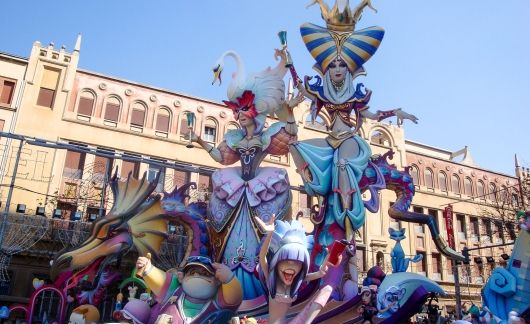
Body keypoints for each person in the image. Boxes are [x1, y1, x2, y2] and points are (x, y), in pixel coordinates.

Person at [288, 0, 418, 295]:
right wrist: (288, 61)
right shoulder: (322, 91)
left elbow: (370, 115)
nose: (336, 68)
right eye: (332, 64)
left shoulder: (355, 95)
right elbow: (301, 87)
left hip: (349, 142)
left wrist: (396, 112)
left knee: (343, 165)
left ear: (349, 69)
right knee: (296, 146)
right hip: (330, 141)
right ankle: (315, 186)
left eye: (341, 64)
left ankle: (348, 226)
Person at [189, 49, 303, 302]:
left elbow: (291, 135)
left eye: (243, 109)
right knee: (230, 234)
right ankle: (228, 286)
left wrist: (290, 111)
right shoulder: (234, 138)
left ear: (254, 111)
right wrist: (198, 140)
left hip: (260, 187)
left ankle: (258, 287)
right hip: (237, 188)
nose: (238, 114)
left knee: (261, 232)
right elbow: (220, 158)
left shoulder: (265, 136)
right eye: (236, 110)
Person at [255, 216, 337, 324]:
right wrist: (270, 234)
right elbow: (262, 257)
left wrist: (321, 271)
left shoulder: (297, 281)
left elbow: (319, 276)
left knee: (327, 289)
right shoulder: (271, 279)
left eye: (297, 262)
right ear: (277, 262)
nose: (291, 265)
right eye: (286, 260)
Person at [135, 255, 242, 324]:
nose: (196, 275)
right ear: (181, 277)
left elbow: (233, 299)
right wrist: (147, 268)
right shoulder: (174, 290)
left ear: (217, 281)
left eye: (204, 273)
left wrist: (229, 279)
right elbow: (161, 281)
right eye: (192, 272)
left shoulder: (219, 298)